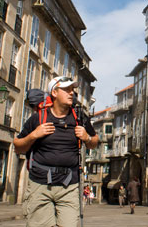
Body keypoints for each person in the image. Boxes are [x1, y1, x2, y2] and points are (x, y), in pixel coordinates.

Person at [14, 76, 99, 227]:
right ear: (54, 92)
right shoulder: (38, 118)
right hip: (40, 184)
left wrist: (86, 138)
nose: (71, 93)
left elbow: (94, 142)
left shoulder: (79, 117)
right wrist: (34, 135)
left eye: (72, 89)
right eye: (66, 89)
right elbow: (18, 146)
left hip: (69, 185)